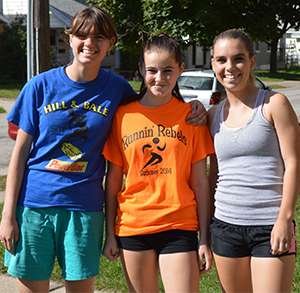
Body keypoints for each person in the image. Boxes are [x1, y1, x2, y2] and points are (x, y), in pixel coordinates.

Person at [0, 7, 207, 293]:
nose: (90, 43)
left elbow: (154, 102)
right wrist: (8, 214)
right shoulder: (39, 86)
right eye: (82, 35)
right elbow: (20, 155)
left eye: (99, 37)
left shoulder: (117, 88)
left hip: (84, 206)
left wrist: (196, 107)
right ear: (69, 37)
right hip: (35, 203)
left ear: (111, 43)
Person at [102, 33, 215, 293]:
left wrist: (204, 238)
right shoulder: (123, 115)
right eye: (152, 70)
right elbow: (114, 181)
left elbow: (200, 181)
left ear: (180, 70)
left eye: (168, 70)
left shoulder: (191, 117)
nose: (159, 78)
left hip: (179, 224)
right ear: (141, 69)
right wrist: (110, 231)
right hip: (134, 225)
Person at [207, 28, 300, 293]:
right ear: (213, 64)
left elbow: (293, 163)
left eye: (238, 58)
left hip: (270, 225)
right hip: (226, 226)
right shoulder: (213, 115)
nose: (230, 67)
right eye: (222, 60)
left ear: (252, 61)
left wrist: (285, 219)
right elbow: (214, 173)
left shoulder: (274, 104)